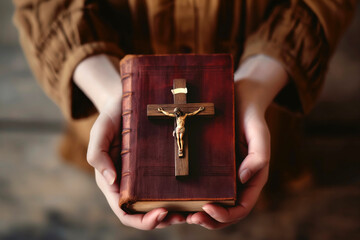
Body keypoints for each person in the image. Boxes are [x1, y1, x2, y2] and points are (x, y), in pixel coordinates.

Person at [13, 0, 356, 230]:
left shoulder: (188, 111)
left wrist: (257, 83)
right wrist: (113, 94)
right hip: (110, 103)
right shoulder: (169, 111)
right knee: (176, 142)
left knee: (195, 151)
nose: (178, 111)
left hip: (260, 112)